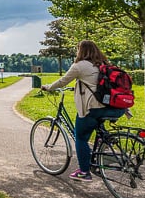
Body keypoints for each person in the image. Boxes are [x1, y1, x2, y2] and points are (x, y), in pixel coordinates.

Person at [41, 40, 124, 182]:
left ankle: (84, 172)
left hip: (94, 109)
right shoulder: (104, 65)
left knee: (80, 137)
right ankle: (101, 157)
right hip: (114, 108)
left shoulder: (79, 66)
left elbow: (62, 81)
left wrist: (48, 87)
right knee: (99, 133)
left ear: (81, 51)